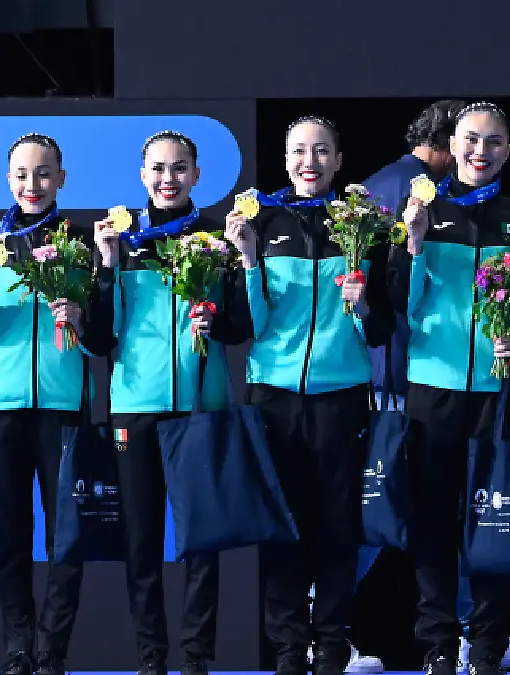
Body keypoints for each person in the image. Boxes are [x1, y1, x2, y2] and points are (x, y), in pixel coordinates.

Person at [357, 98, 510, 675]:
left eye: (492, 141)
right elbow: (400, 307)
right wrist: (411, 244)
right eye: (470, 139)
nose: (480, 151)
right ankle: (438, 645)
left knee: (497, 519)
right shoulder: (421, 211)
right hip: (431, 390)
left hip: (498, 390)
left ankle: (486, 646)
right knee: (433, 522)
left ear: (507, 150)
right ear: (451, 146)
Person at [224, 116, 394, 675]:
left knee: (339, 525)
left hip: (342, 395)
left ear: (339, 161)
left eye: (322, 151)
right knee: (284, 525)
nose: (310, 162)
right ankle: (289, 648)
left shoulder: (362, 229)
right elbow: (250, 324)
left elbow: (380, 328)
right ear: (286, 159)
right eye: (300, 151)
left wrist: (362, 303)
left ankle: (332, 645)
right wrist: (248, 260)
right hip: (273, 393)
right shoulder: (263, 221)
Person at [91, 130, 250, 675]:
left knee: (202, 547)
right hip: (135, 408)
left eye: (179, 168)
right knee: (142, 544)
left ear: (197, 176)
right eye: (158, 168)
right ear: (141, 175)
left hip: (200, 407)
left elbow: (240, 328)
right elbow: (98, 339)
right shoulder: (120, 240)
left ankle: (196, 659)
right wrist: (107, 266)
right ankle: (150, 659)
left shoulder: (216, 239)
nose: (168, 178)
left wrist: (217, 318)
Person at [0, 133, 96, 675]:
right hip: (2, 407)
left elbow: (104, 335)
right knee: (10, 535)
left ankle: (52, 653)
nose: (31, 185)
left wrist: (83, 317)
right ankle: (18, 650)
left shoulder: (84, 245)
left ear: (61, 178)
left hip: (64, 407)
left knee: (66, 539)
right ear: (7, 179)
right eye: (21, 174)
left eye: (43, 174)